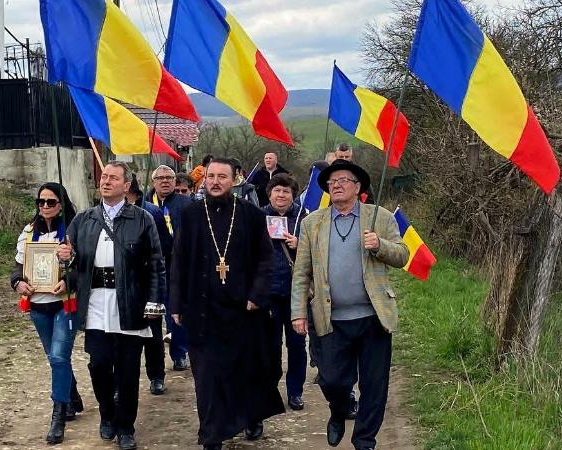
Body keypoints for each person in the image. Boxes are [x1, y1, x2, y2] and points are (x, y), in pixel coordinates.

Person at [290, 159, 409, 450]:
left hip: (373, 316)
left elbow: (403, 255)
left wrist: (379, 245)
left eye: (344, 180)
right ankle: (339, 409)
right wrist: (297, 312)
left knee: (374, 384)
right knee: (332, 380)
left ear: (358, 188)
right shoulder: (312, 223)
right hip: (331, 317)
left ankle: (364, 440)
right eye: (332, 181)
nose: (337, 185)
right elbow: (302, 271)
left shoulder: (379, 217)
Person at [171, 158, 284, 449]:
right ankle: (211, 435)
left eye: (222, 177)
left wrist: (257, 295)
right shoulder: (191, 214)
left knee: (243, 371)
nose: (215, 182)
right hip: (203, 309)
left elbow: (266, 259)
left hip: (242, 310)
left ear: (235, 180)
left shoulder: (251, 214)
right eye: (211, 176)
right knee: (206, 377)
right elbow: (179, 260)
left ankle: (250, 417)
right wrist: (176, 303)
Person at [56, 161, 164, 450]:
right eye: (104, 177)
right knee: (99, 364)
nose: (106, 181)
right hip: (95, 304)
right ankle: (107, 414)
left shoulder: (143, 219)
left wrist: (154, 301)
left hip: (130, 302)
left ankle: (126, 427)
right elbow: (72, 262)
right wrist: (64, 256)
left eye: (113, 178)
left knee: (128, 370)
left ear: (126, 185)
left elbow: (156, 264)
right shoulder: (84, 219)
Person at [10, 182, 82, 445]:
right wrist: (18, 282)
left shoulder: (73, 231)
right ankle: (72, 395)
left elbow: (84, 266)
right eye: (41, 201)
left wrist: (69, 279)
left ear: (61, 204)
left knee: (59, 356)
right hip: (38, 304)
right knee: (54, 356)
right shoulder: (29, 232)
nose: (45, 206)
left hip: (65, 303)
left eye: (51, 202)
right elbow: (18, 267)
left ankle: (58, 416)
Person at [261, 174, 308, 411]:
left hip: (296, 294)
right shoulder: (258, 217)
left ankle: (295, 391)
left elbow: (317, 252)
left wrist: (300, 245)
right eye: (277, 190)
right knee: (270, 346)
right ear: (269, 193)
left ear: (293, 195)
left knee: (297, 345)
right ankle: (269, 390)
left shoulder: (304, 218)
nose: (281, 195)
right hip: (268, 293)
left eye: (286, 191)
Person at [126, 174, 172, 396]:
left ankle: (156, 375)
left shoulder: (151, 212)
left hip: (147, 280)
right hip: (124, 284)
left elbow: (164, 247)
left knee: (152, 333)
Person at [146, 165, 192, 371]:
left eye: (169, 178)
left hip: (177, 263)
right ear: (153, 182)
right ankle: (155, 362)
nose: (165, 181)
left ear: (175, 181)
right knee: (154, 311)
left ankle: (179, 352)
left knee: (176, 310)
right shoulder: (145, 203)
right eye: (160, 178)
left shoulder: (186, 204)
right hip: (152, 264)